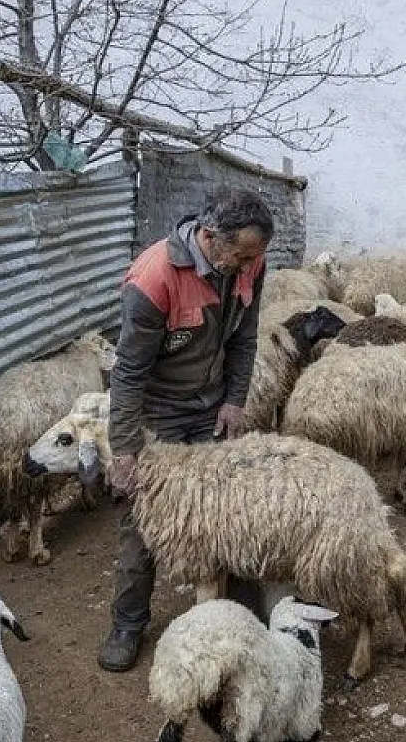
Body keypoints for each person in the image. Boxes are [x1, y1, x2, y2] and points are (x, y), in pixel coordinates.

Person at [97, 187, 274, 673]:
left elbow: (246, 337)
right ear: (210, 237)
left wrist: (236, 400)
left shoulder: (249, 264)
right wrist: (127, 450)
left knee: (232, 508)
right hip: (160, 411)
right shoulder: (154, 278)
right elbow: (128, 372)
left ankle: (247, 617)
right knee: (148, 518)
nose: (248, 267)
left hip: (212, 401)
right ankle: (128, 623)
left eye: (254, 258)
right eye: (241, 256)